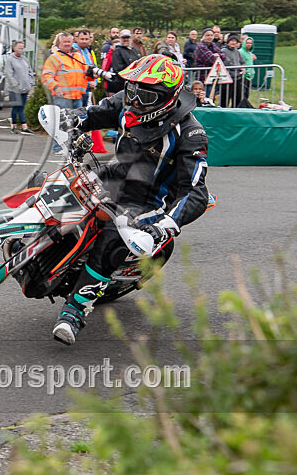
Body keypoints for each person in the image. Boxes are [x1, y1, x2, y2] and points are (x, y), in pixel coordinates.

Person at [52, 54, 209, 345]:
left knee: (111, 238)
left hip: (148, 201)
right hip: (116, 175)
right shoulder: (130, 101)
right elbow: (93, 114)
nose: (134, 100)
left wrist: (166, 224)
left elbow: (195, 190)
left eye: (144, 94)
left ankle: (75, 310)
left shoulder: (191, 133)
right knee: (52, 187)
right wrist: (70, 123)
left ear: (168, 98)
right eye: (132, 90)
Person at [42, 32, 87, 155]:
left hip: (77, 96)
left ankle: (71, 147)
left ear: (72, 41)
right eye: (64, 42)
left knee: (75, 123)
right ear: (59, 43)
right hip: (62, 96)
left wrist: (92, 79)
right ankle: (58, 148)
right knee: (61, 123)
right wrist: (55, 87)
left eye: (69, 41)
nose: (67, 44)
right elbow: (46, 76)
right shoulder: (54, 58)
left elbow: (85, 71)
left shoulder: (78, 56)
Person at [4, 40, 35, 134]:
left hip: (25, 88)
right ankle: (14, 126)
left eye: (22, 48)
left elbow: (30, 71)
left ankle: (24, 127)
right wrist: (15, 86)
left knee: (22, 107)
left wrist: (31, 82)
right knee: (16, 107)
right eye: (19, 48)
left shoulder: (25, 59)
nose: (21, 50)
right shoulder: (10, 59)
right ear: (14, 48)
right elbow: (9, 74)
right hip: (14, 89)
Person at [106, 29, 140, 95]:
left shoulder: (135, 50)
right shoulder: (117, 51)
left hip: (135, 84)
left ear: (131, 38)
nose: (125, 39)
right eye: (123, 37)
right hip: (121, 85)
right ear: (120, 38)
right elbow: (118, 70)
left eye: (127, 37)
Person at [193, 28, 224, 96]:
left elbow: (223, 56)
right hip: (202, 77)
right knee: (203, 97)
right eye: (207, 35)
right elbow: (211, 59)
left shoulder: (213, 45)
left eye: (211, 35)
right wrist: (216, 56)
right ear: (203, 36)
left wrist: (217, 56)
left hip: (212, 77)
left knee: (211, 96)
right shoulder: (200, 46)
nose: (210, 37)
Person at [72, 29, 97, 107]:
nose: (84, 41)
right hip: (76, 90)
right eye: (82, 39)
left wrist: (94, 82)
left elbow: (92, 69)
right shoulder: (73, 51)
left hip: (86, 88)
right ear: (77, 39)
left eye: (86, 39)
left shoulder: (88, 53)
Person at [221, 34, 244, 107]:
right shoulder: (223, 51)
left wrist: (243, 68)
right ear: (228, 42)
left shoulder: (237, 51)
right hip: (227, 78)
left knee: (237, 97)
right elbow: (227, 63)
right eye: (232, 41)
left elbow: (242, 61)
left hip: (237, 78)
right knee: (225, 97)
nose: (233, 43)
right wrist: (238, 67)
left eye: (235, 41)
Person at [239, 36, 257, 103]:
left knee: (247, 94)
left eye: (250, 43)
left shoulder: (250, 53)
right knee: (243, 94)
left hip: (250, 76)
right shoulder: (240, 52)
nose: (249, 44)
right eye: (247, 43)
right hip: (243, 76)